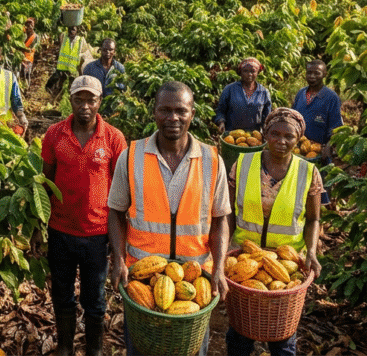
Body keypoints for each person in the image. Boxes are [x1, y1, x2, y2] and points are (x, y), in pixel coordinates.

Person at [108, 81, 230, 356]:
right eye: (165, 110)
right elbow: (115, 211)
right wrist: (117, 259)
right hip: (143, 279)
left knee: (190, 350)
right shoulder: (131, 156)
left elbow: (221, 218)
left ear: (192, 114)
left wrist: (219, 267)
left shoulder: (212, 160)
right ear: (154, 112)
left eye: (180, 111)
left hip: (194, 279)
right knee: (143, 348)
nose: (172, 118)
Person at [226, 108, 323, 356]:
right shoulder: (244, 163)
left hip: (287, 263)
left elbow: (313, 219)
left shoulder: (308, 172)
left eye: (289, 136)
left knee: (282, 336)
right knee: (240, 332)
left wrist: (311, 252)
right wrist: (224, 248)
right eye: (275, 134)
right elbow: (227, 212)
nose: (281, 141)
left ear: (298, 138)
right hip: (245, 260)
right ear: (265, 134)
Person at [42, 75, 126, 356]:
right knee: (62, 295)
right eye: (79, 99)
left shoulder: (113, 138)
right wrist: (36, 228)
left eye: (91, 99)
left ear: (100, 102)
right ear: (71, 100)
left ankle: (94, 350)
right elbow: (46, 181)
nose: (85, 105)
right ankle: (65, 347)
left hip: (97, 234)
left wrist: (119, 248)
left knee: (95, 299)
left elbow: (121, 193)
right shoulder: (54, 134)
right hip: (60, 230)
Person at [291, 60, 342, 161]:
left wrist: (329, 146)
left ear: (324, 74)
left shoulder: (331, 98)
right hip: (298, 151)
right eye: (309, 73)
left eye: (317, 73)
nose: (312, 76)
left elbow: (336, 128)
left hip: (319, 154)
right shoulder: (301, 93)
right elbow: (292, 118)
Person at [215, 57, 272, 134]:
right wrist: (221, 122)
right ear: (240, 72)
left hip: (254, 137)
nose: (249, 74)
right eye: (245, 71)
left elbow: (267, 116)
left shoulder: (264, 92)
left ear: (257, 72)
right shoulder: (230, 89)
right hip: (231, 135)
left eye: (253, 71)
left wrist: (266, 129)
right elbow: (220, 110)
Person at [46, 26, 90, 97]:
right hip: (62, 67)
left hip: (73, 69)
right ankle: (54, 97)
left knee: (71, 88)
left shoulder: (80, 40)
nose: (71, 31)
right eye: (69, 29)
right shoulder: (64, 37)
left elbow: (84, 51)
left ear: (77, 31)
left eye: (73, 30)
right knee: (57, 85)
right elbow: (61, 31)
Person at [21, 18, 38, 87]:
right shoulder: (22, 34)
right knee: (21, 75)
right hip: (20, 58)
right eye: (27, 25)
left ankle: (26, 88)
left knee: (27, 74)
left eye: (31, 25)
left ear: (33, 26)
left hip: (28, 59)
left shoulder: (35, 36)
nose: (29, 27)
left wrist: (21, 47)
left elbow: (31, 48)